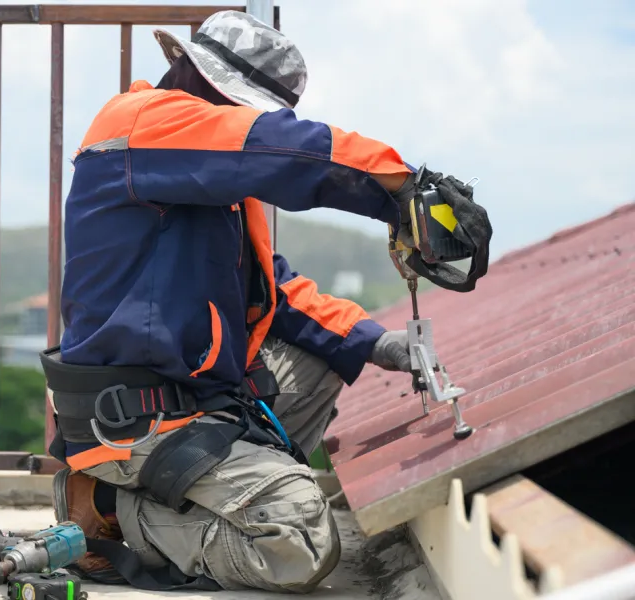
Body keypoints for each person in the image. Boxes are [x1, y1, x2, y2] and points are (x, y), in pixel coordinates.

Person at [40, 9, 473, 594]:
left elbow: (274, 289)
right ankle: (113, 507)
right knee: (302, 542)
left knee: (325, 360)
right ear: (210, 86)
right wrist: (400, 187)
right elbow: (284, 152)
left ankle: (220, 494)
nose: (247, 126)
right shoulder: (142, 125)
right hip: (135, 422)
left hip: (201, 403)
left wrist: (377, 343)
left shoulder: (206, 184)